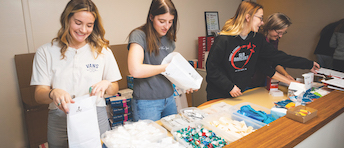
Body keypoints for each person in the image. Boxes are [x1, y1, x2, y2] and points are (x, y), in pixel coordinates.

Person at [30, 0, 122, 147]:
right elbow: (38, 94)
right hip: (60, 116)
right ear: (67, 19)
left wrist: (107, 84)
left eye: (89, 25)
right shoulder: (46, 52)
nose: (83, 30)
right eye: (78, 23)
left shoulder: (103, 51)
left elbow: (114, 88)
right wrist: (53, 93)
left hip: (95, 113)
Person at [206, 1, 320, 101]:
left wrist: (308, 64)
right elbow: (211, 68)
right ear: (248, 17)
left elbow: (277, 57)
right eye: (260, 18)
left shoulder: (257, 39)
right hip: (219, 92)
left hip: (240, 92)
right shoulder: (224, 39)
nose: (262, 23)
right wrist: (229, 86)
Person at [128, 0, 192, 122]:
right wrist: (166, 67)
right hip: (147, 102)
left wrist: (186, 83)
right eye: (162, 21)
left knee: (170, 137)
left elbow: (171, 71)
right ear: (151, 17)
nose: (166, 26)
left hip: (169, 98)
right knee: (150, 140)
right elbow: (135, 70)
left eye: (170, 22)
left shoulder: (169, 39)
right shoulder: (139, 35)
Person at [250, 12, 294, 87]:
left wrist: (285, 74)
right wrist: (287, 81)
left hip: (262, 79)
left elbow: (274, 61)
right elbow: (263, 67)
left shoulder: (274, 40)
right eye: (279, 32)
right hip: (250, 80)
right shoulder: (257, 39)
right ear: (270, 28)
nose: (280, 36)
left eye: (283, 33)